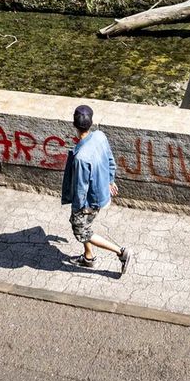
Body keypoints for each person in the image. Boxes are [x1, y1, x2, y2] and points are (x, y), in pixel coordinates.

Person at [60, 104, 131, 274]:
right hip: (102, 192)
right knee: (84, 226)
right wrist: (110, 180)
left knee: (80, 230)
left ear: (74, 125)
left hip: (91, 200)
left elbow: (81, 189)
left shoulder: (81, 158)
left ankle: (121, 252)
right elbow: (110, 160)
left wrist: (76, 208)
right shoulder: (100, 136)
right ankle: (88, 256)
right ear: (91, 123)